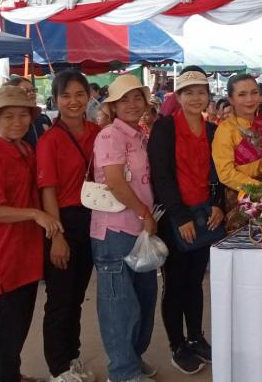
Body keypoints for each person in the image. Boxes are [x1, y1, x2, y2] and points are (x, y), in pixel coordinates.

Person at [0, 86, 63, 382]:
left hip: (25, 254)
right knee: (4, 338)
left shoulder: (25, 149)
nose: (18, 122)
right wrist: (36, 214)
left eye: (23, 115)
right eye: (9, 116)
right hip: (2, 259)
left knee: (18, 329)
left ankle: (13, 375)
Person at [149, 67, 225, 375]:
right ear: (178, 96)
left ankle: (196, 337)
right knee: (175, 282)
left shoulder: (213, 130)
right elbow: (161, 176)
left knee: (195, 281)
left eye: (201, 92)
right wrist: (180, 216)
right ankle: (177, 345)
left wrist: (218, 204)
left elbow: (219, 173)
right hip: (175, 218)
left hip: (204, 216)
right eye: (189, 92)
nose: (196, 98)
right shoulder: (164, 128)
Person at [91, 74, 158, 382]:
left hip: (141, 229)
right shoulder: (110, 136)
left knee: (144, 298)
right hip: (115, 231)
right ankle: (122, 372)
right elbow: (116, 182)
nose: (132, 104)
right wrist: (145, 213)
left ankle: (132, 359)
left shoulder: (140, 134)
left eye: (137, 97)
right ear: (113, 106)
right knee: (119, 306)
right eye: (124, 99)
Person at [36, 71, 100, 382]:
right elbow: (47, 190)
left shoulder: (97, 132)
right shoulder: (50, 140)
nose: (73, 101)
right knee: (60, 300)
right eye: (66, 96)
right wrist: (57, 237)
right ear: (56, 100)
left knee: (76, 297)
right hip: (63, 221)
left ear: (89, 96)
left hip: (93, 219)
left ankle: (72, 358)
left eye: (79, 94)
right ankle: (58, 368)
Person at [212, 74, 262, 191]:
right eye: (242, 94)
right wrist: (261, 188)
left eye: (254, 93)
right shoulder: (225, 130)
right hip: (241, 193)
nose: (250, 99)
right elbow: (226, 174)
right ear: (231, 99)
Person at [8, 76, 52, 148]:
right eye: (26, 91)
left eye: (33, 90)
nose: (32, 93)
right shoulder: (7, 123)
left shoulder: (44, 119)